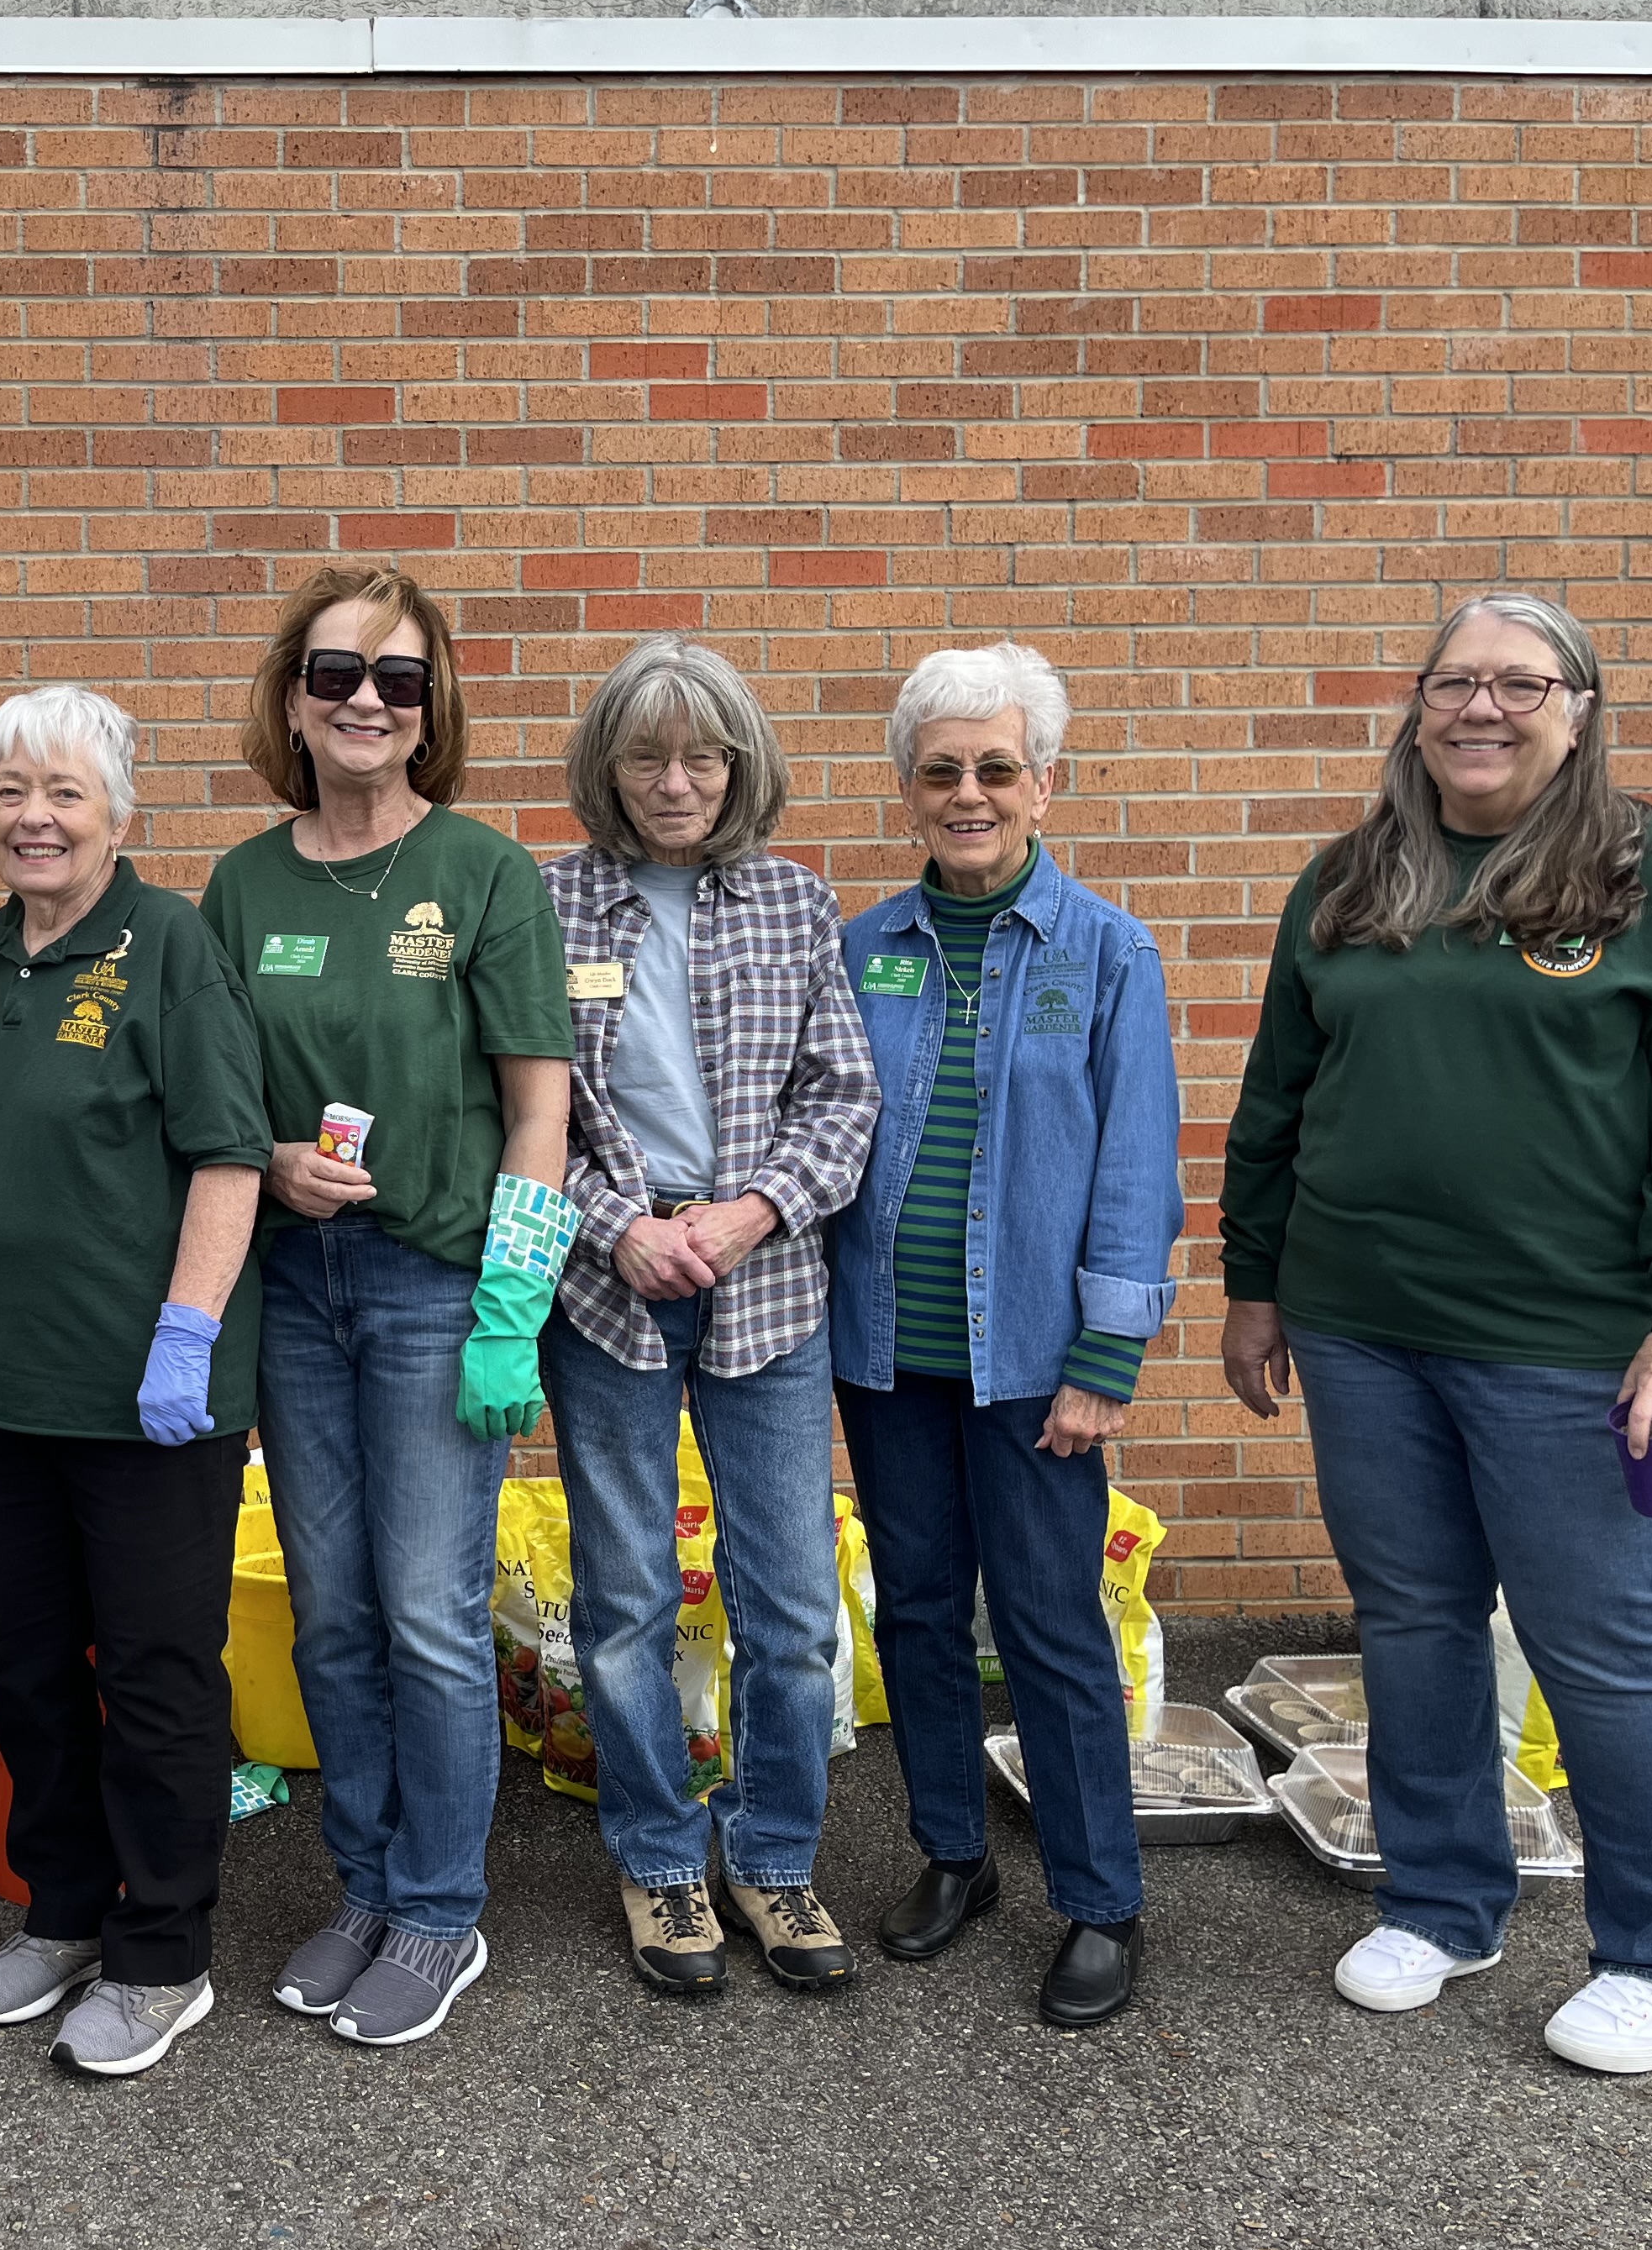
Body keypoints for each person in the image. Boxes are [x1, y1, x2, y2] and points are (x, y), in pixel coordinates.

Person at [1219, 591, 1652, 2078]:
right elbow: (1277, 1099)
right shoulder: (1350, 879)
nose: (1482, 708)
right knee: (1410, 1621)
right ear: (1417, 705)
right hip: (1362, 1328)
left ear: (1578, 708)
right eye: (1454, 682)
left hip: (1567, 1341)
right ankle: (1443, 1899)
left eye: (1520, 684)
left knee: (1597, 1644)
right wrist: (1255, 1284)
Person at [197, 565, 575, 2049]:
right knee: (337, 1616)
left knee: (425, 1612)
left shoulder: (484, 874)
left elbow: (540, 1115)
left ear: (434, 710)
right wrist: (278, 1163)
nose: (366, 700)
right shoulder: (243, 883)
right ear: (294, 694)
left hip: (434, 1289)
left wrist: (512, 1307)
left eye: (400, 680)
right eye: (339, 672)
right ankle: (360, 1884)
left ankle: (438, 1911)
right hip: (297, 1291)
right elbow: (225, 1107)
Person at [824, 641, 1180, 2030]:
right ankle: (954, 1855)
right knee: (915, 1610)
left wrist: (1106, 1359)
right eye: (941, 771)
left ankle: (1101, 1900)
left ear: (1048, 783)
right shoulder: (860, 951)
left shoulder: (1107, 952)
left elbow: (1138, 1169)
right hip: (887, 1355)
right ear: (908, 791)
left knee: (1048, 1625)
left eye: (996, 769)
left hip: (1034, 1359)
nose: (968, 793)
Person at [0, 687, 267, 2078]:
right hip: (1, 1389)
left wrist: (186, 1329)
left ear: (120, 814)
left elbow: (231, 1156)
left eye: (65, 792)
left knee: (157, 1671)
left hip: (146, 1399)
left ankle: (165, 1949)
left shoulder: (170, 945)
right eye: (12, 790)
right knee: (26, 1667)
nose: (34, 817)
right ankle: (66, 1909)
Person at [537, 638, 879, 1997]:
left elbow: (843, 1098)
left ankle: (776, 1857)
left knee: (787, 1601)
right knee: (623, 1602)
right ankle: (661, 1863)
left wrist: (747, 1215)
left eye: (703, 755)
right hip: (607, 1285)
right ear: (607, 769)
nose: (675, 781)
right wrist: (619, 1224)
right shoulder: (544, 904)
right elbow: (516, 1114)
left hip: (768, 1282)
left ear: (739, 767)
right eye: (645, 755)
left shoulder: (796, 905)